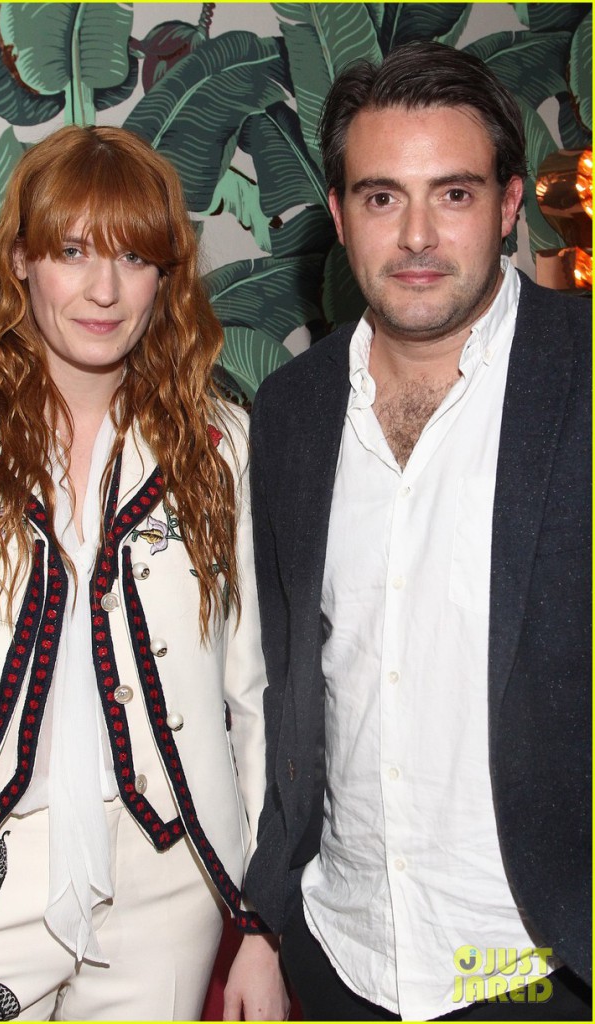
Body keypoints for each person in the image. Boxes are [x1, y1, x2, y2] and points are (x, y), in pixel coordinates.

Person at [246, 40, 591, 1023]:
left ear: (510, 203)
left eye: (453, 193)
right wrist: (267, 913)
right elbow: (282, 679)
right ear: (340, 215)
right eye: (382, 196)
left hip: (541, 968)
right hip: (342, 953)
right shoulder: (292, 411)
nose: (416, 237)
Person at [0, 125, 288, 1022]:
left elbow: (254, 694)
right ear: (20, 260)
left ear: (167, 278)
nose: (105, 289)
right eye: (73, 251)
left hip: (167, 885)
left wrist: (260, 922)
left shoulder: (218, 449)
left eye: (135, 256)